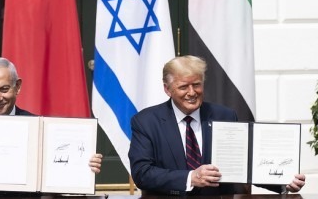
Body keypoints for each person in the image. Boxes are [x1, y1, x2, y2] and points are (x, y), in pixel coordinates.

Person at [128, 55, 306, 195]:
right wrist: (190, 177)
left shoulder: (224, 116)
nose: (192, 92)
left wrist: (283, 181)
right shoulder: (146, 121)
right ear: (167, 89)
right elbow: (142, 173)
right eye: (183, 87)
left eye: (196, 85)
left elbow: (245, 165)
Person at [0, 57, 103, 196]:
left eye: (4, 89)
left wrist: (83, 167)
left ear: (17, 87)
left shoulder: (40, 128)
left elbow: (58, 175)